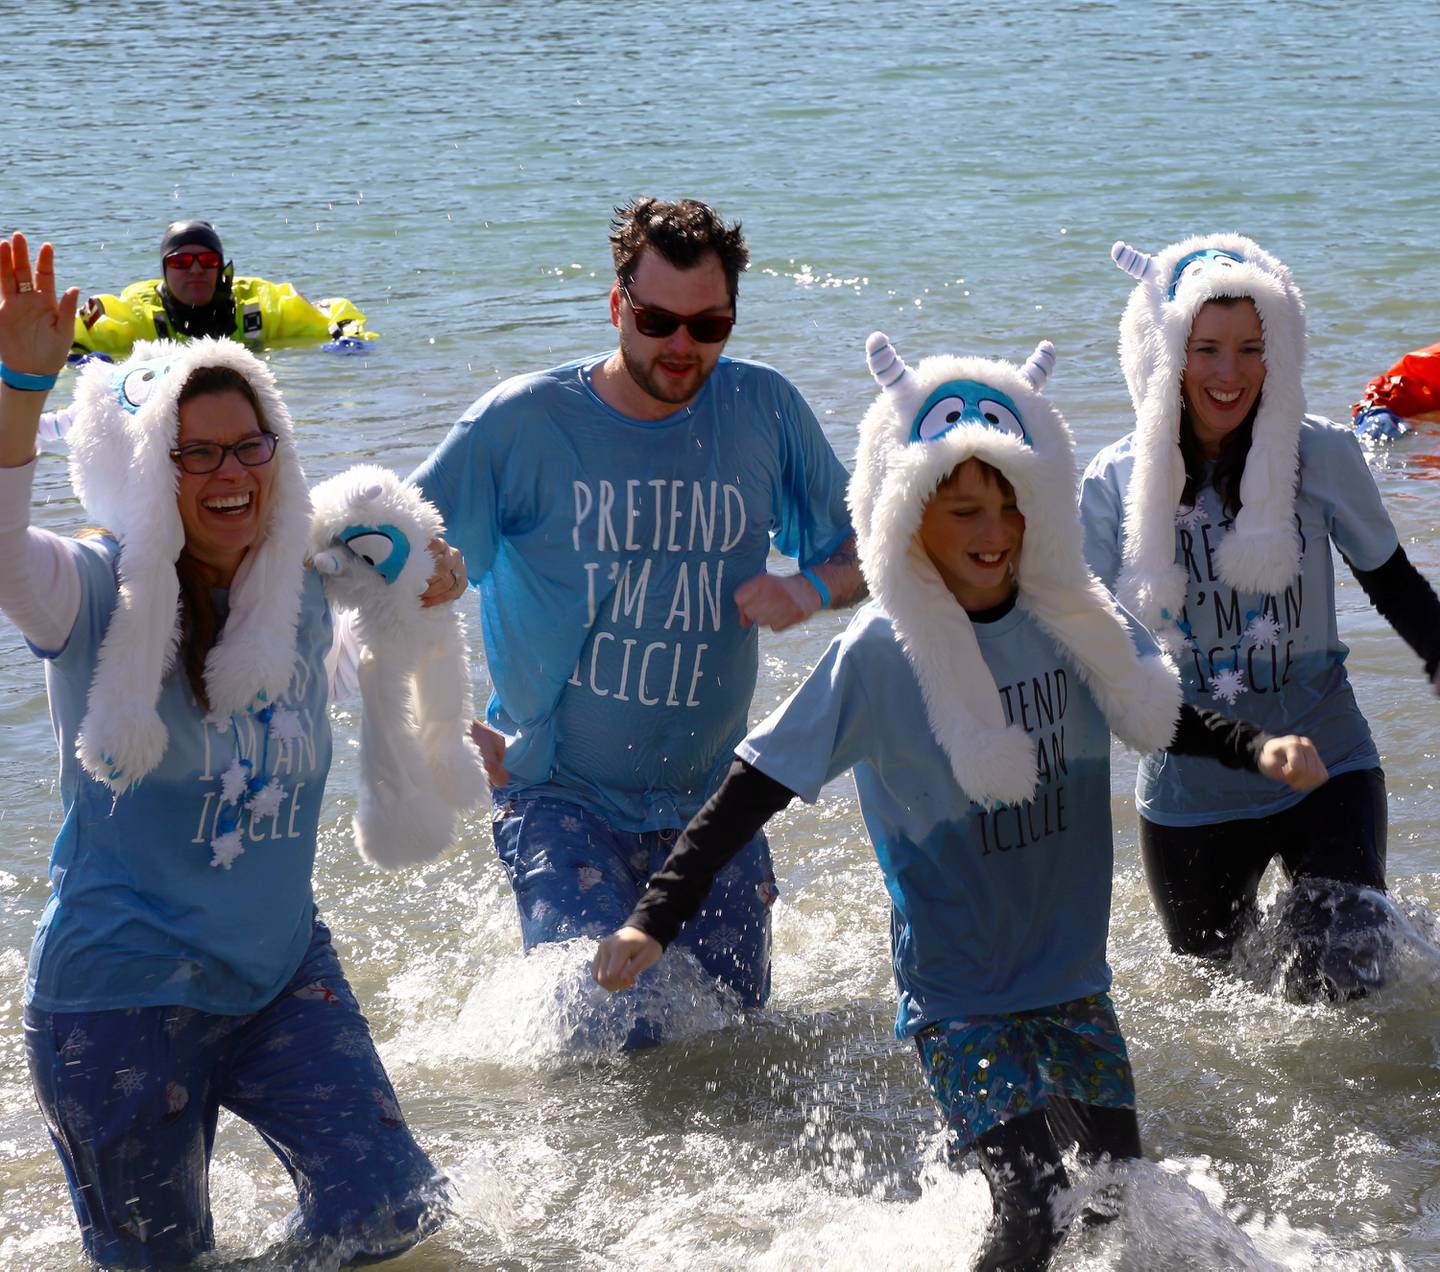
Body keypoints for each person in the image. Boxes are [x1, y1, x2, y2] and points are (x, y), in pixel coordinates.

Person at [593, 332, 1326, 1270]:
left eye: (1011, 506)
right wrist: (654, 919)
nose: (993, 531)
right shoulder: (880, 653)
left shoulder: (1072, 620)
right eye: (965, 509)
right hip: (961, 993)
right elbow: (753, 788)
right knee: (1033, 1202)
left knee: (1117, 1193)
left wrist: (1257, 748)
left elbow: (1163, 712)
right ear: (905, 519)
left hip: (1070, 977)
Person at [0, 231, 461, 1268]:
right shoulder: (89, 592)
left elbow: (351, 644)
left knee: (392, 1215)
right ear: (140, 467)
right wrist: (22, 387)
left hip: (279, 972)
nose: (229, 475)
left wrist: (427, 592)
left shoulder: (298, 581)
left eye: (249, 445)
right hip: (119, 1004)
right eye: (193, 450)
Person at [410, 197, 863, 1045]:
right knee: (596, 1030)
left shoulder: (764, 410)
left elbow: (876, 548)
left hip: (712, 801)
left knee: (735, 1041)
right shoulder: (522, 421)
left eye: (710, 325)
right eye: (658, 321)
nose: (684, 347)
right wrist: (430, 717)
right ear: (618, 306)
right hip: (556, 792)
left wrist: (810, 588)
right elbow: (384, 549)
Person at [1081, 234, 1440, 1000]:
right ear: (1164, 350)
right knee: (1217, 1010)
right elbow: (1085, 645)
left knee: (1344, 993)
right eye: (1206, 348)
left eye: (1252, 347)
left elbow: (1398, 588)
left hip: (1329, 768)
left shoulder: (1325, 456)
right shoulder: (1113, 482)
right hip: (1189, 794)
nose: (1229, 373)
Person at [69, 219, 375, 360]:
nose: (196, 270)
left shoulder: (255, 303)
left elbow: (337, 313)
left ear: (222, 267)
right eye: (181, 262)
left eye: (207, 260)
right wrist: (81, 363)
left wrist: (351, 341)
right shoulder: (139, 312)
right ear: (164, 270)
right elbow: (70, 339)